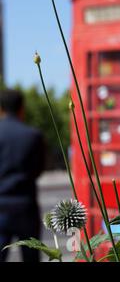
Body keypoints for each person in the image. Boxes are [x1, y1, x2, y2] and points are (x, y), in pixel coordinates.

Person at [0, 89, 45, 262]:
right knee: (31, 257)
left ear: (1, 108)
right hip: (26, 205)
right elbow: (39, 169)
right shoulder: (33, 135)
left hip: (1, 204)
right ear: (22, 108)